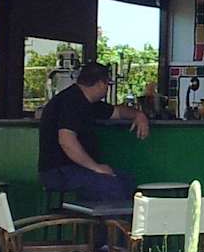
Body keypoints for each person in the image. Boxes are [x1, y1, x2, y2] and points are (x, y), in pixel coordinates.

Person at [38, 62, 150, 205]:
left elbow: (118, 112)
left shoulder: (87, 102)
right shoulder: (71, 101)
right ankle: (111, 220)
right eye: (108, 84)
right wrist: (96, 167)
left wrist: (139, 115)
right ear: (101, 84)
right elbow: (66, 141)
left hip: (75, 169)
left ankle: (110, 219)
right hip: (58, 171)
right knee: (112, 186)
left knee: (126, 180)